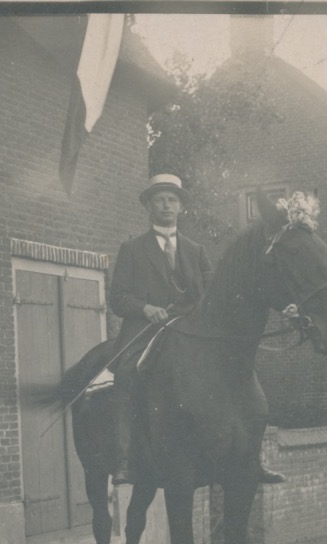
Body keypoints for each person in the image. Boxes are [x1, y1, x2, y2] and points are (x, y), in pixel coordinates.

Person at [107, 173, 286, 486]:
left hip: (190, 329)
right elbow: (118, 297)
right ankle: (125, 458)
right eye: (160, 200)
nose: (166, 205)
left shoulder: (196, 250)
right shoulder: (132, 249)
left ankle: (250, 458)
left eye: (172, 200)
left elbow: (213, 294)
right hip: (146, 329)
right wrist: (146, 309)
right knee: (126, 373)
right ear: (148, 206)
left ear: (181, 207)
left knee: (237, 370)